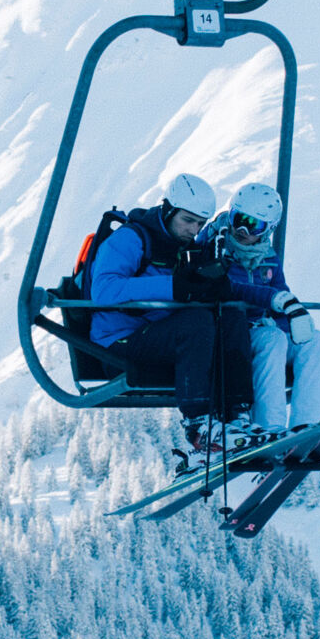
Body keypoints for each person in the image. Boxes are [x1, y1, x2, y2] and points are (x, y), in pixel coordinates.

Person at [82, 173, 260, 449]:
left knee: (231, 316)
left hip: (159, 334)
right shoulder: (132, 238)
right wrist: (175, 287)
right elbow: (104, 291)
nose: (193, 229)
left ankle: (238, 416)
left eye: (200, 223)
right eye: (187, 220)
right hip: (118, 339)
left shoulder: (188, 248)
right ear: (168, 210)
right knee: (196, 323)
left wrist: (210, 286)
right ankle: (199, 425)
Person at [205, 183, 320, 429]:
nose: (242, 229)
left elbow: (280, 293)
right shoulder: (216, 247)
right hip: (232, 336)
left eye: (254, 225)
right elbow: (226, 289)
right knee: (272, 339)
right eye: (238, 219)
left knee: (314, 341)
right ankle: (269, 428)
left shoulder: (268, 257)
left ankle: (306, 425)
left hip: (262, 327)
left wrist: (290, 319)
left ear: (268, 230)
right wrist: (274, 304)